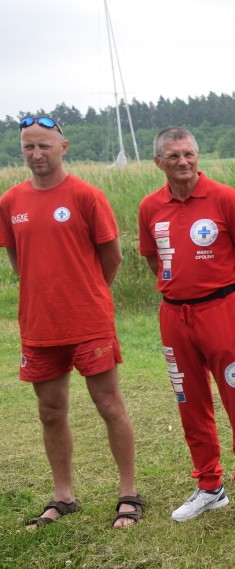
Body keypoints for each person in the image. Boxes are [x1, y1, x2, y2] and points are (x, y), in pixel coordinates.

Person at [0, 116, 143, 529]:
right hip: (39, 326)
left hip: (88, 323)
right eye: (29, 146)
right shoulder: (11, 202)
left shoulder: (86, 196)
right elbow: (18, 262)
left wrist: (88, 294)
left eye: (44, 146)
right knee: (50, 410)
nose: (36, 154)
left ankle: (128, 494)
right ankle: (63, 496)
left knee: (109, 405)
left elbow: (111, 257)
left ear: (63, 148)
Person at [137, 127, 235, 527]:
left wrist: (225, 291)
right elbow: (153, 260)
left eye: (189, 154)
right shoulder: (149, 207)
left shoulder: (224, 198)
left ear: (198, 155)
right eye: (173, 156)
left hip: (220, 313)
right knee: (189, 402)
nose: (183, 162)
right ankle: (210, 487)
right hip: (174, 316)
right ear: (158, 162)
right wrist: (180, 292)